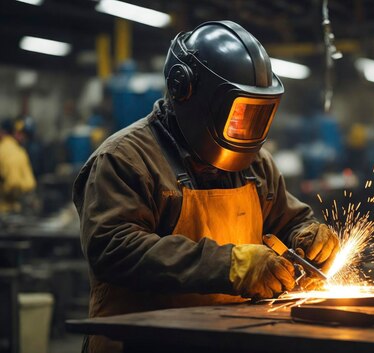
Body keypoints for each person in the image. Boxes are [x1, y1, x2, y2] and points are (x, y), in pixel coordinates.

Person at [73, 21, 339, 353]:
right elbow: (115, 250)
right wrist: (229, 266)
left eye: (257, 117)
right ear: (185, 90)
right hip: (139, 342)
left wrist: (308, 235)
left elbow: (288, 221)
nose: (245, 131)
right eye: (239, 114)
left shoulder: (256, 164)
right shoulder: (125, 160)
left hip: (224, 337)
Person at [0, 119, 36, 214]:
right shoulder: (15, 151)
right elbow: (13, 184)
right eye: (20, 133)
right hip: (10, 208)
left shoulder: (6, 149)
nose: (23, 137)